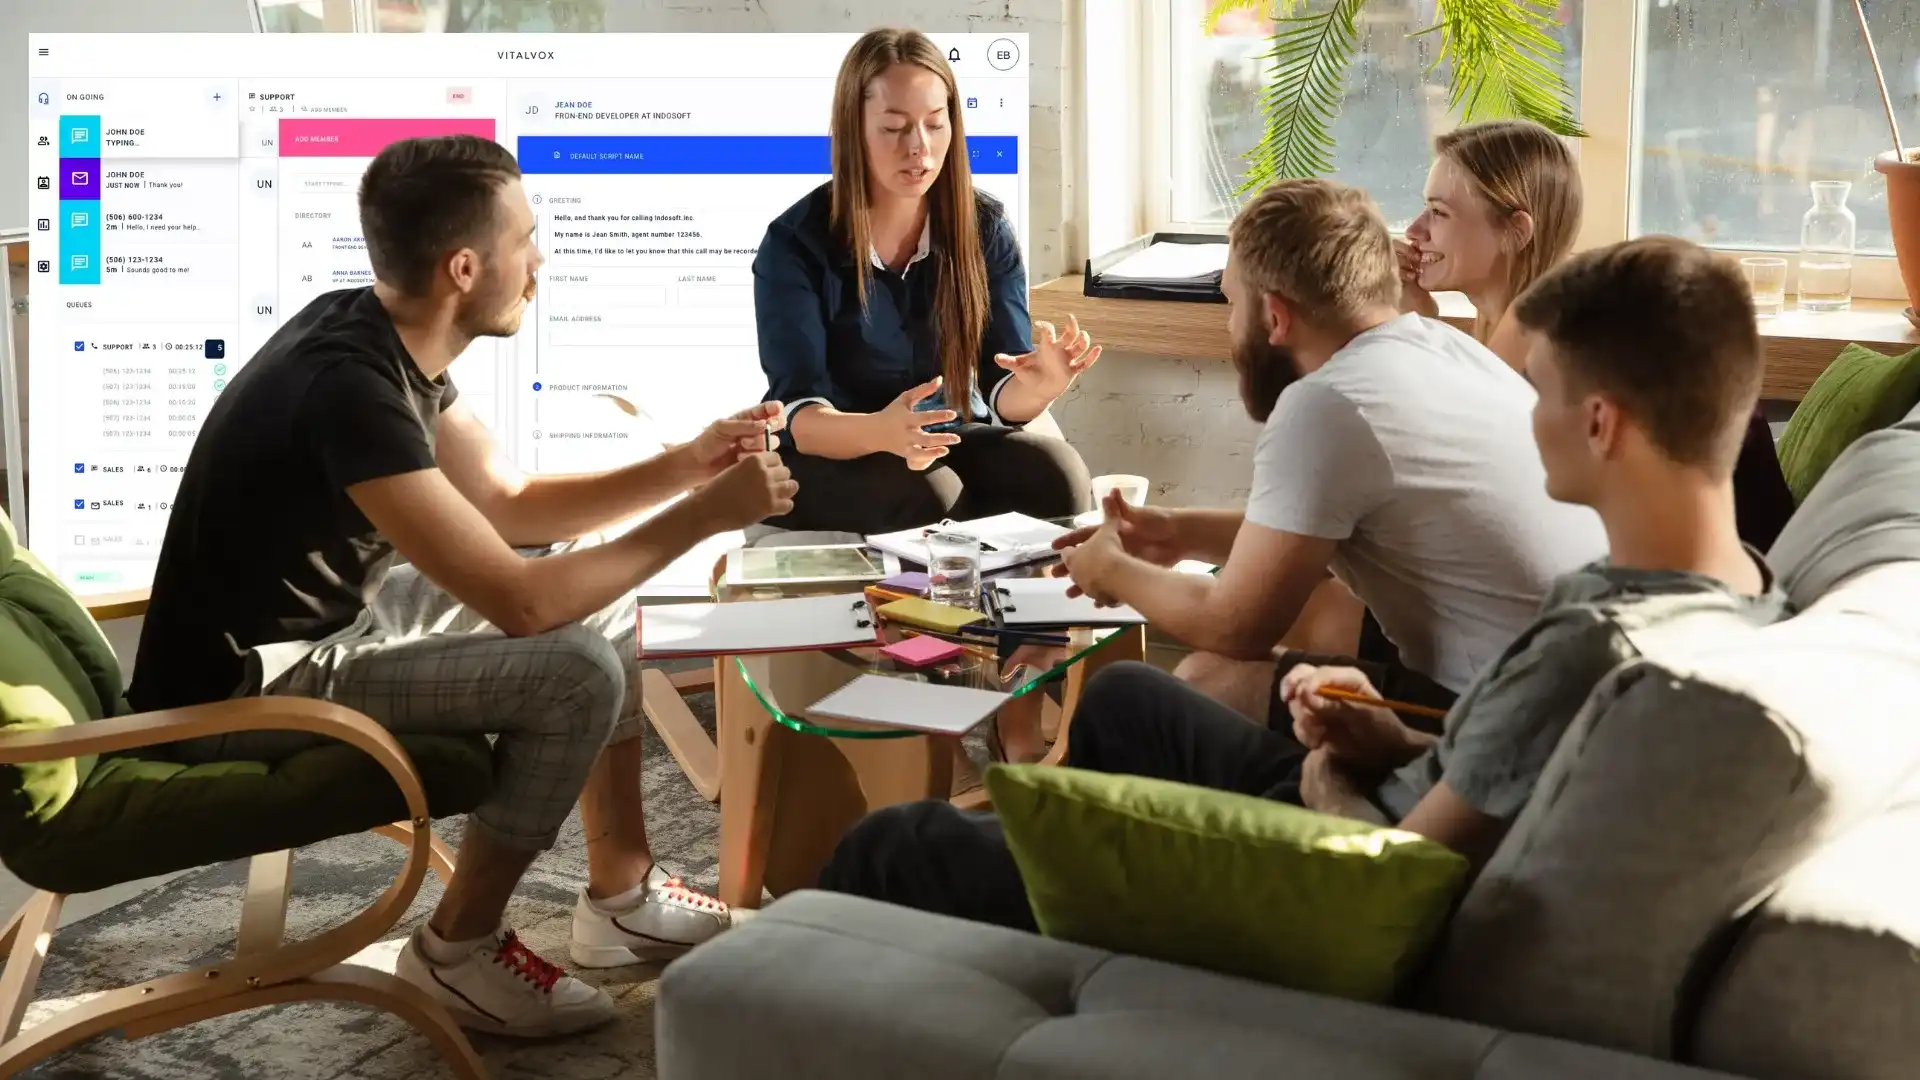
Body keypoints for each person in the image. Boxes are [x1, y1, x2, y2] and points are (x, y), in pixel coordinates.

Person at [815, 233, 1787, 929]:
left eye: (1547, 393)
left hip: (1324, 858)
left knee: (892, 842)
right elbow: (1517, 764)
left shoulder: (1594, 641)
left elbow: (1387, 879)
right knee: (1127, 700)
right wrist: (1392, 736)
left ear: (1602, 423)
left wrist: (1332, 770)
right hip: (1394, 781)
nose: (1528, 416)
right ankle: (1066, 883)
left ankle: (1089, 893)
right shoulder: (1743, 586)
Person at [128, 134, 798, 1038]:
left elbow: (511, 504)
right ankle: (456, 950)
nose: (540, 261)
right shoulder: (348, 392)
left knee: (601, 593)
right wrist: (706, 515)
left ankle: (620, 894)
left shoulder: (375, 331)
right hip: (251, 687)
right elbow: (522, 605)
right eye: (528, 239)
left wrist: (687, 465)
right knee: (575, 670)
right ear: (462, 267)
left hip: (330, 623)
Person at [1072, 177, 1606, 724]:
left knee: (1197, 684)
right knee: (1315, 614)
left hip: (1514, 726)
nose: (1233, 326)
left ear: (1275, 318)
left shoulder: (1328, 404)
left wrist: (1110, 570)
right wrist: (1178, 531)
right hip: (1588, 694)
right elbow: (1317, 530)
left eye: (1232, 305)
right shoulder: (1440, 347)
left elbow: (1234, 626)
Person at [751, 27, 1101, 536]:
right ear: (854, 130)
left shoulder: (984, 228)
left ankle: (1035, 614)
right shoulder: (794, 245)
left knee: (1056, 474)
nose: (919, 147)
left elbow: (1002, 387)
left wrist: (1041, 387)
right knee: (929, 493)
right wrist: (883, 430)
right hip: (836, 450)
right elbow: (800, 417)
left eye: (935, 125)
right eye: (894, 128)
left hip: (947, 436)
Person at [1400, 118, 1795, 550]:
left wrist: (1410, 323)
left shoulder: (1546, 330)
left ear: (1516, 232)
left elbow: (1446, 469)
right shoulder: (1524, 317)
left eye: (1438, 213)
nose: (1414, 231)